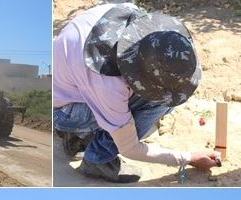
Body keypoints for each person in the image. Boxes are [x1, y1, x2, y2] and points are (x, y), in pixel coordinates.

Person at [53, 3, 220, 183]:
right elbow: (130, 148)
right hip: (64, 111)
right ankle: (98, 160)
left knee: (158, 100)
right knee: (161, 102)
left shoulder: (130, 14)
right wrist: (189, 157)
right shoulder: (109, 83)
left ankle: (79, 136)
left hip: (68, 88)